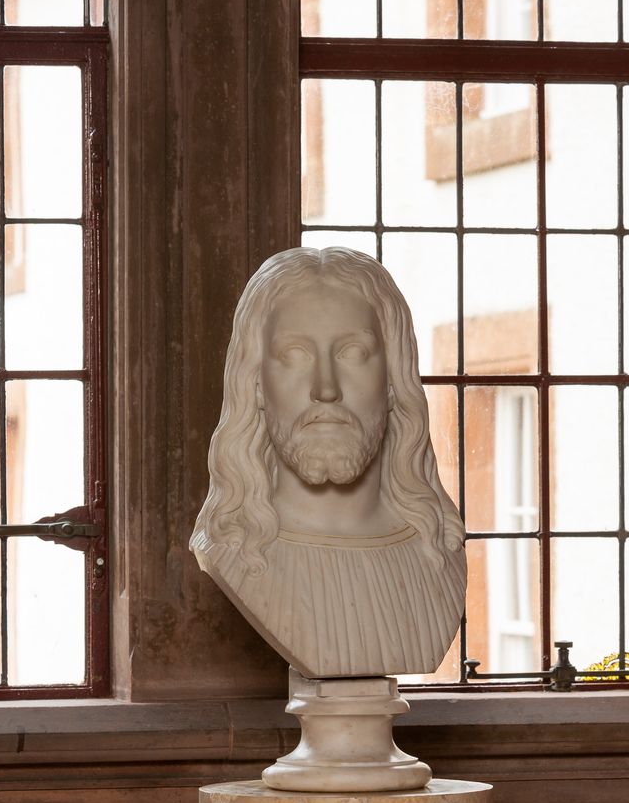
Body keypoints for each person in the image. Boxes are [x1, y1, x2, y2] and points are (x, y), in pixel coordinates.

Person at [191, 246, 466, 678]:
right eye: (293, 355)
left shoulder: (436, 550)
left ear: (393, 379)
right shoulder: (232, 549)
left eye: (353, 353)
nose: (325, 389)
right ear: (256, 384)